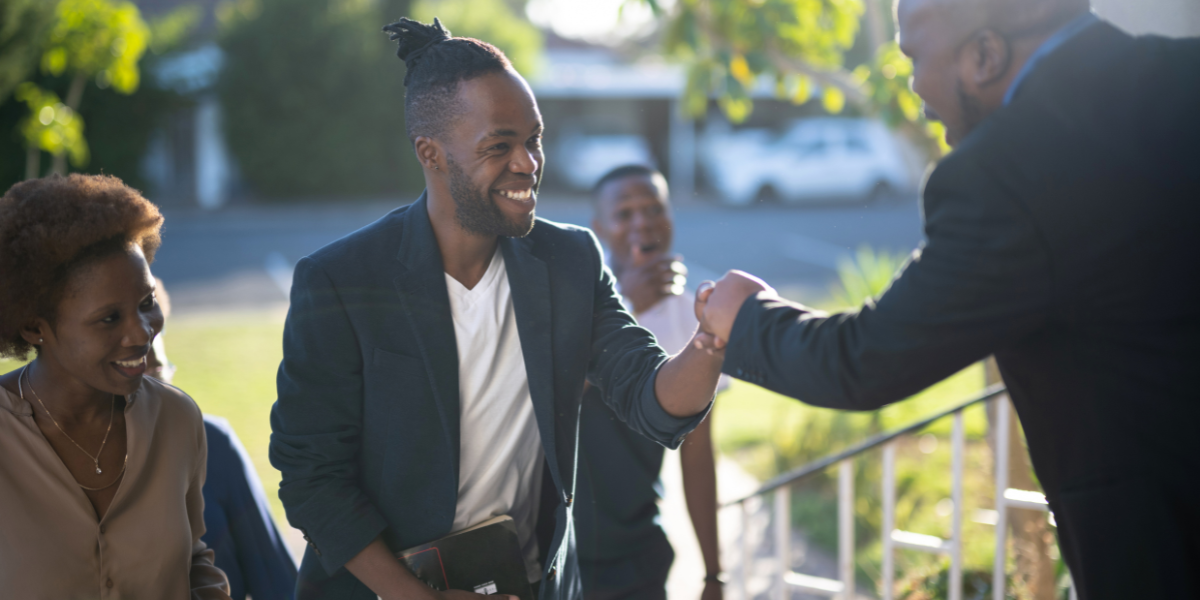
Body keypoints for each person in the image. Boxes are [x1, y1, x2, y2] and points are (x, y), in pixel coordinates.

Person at [694, 0, 1200, 597]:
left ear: (984, 56)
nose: (912, 87)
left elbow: (866, 359)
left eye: (913, 57)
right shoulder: (1183, 73)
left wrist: (745, 318)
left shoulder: (1004, 174)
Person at [269, 18, 724, 600]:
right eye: (499, 146)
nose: (528, 163)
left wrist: (711, 340)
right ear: (431, 153)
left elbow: (651, 398)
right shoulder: (339, 280)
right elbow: (311, 476)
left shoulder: (571, 260)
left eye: (533, 140)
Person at [0, 174, 231, 599]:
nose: (141, 333)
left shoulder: (176, 418)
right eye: (109, 318)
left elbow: (193, 558)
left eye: (147, 304)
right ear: (35, 327)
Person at [576, 165, 725, 600]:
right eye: (625, 213)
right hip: (556, 544)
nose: (642, 222)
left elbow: (698, 456)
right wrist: (627, 303)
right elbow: (545, 404)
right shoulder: (568, 297)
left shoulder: (693, 317)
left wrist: (713, 574)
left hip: (637, 551)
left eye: (653, 209)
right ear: (599, 229)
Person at [146, 281, 300, 600]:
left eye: (159, 374)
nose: (151, 396)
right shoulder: (47, 464)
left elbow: (279, 586)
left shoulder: (212, 444)